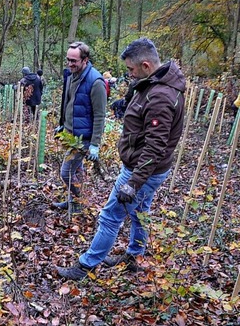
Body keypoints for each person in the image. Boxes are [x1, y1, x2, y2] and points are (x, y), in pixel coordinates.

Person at [56, 37, 186, 280]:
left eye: (131, 70)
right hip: (148, 168)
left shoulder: (160, 97)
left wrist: (133, 183)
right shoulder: (153, 85)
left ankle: (85, 266)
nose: (129, 74)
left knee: (110, 216)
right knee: (140, 212)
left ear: (146, 66)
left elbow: (155, 147)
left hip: (142, 170)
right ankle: (134, 255)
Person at [52, 41, 107, 213]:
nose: (70, 64)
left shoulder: (96, 81)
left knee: (66, 172)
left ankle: (80, 201)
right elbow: (68, 103)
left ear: (85, 60)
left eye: (74, 61)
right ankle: (73, 203)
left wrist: (95, 144)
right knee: (77, 170)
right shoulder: (70, 76)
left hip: (83, 138)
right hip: (70, 134)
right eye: (68, 60)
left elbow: (100, 115)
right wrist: (62, 125)